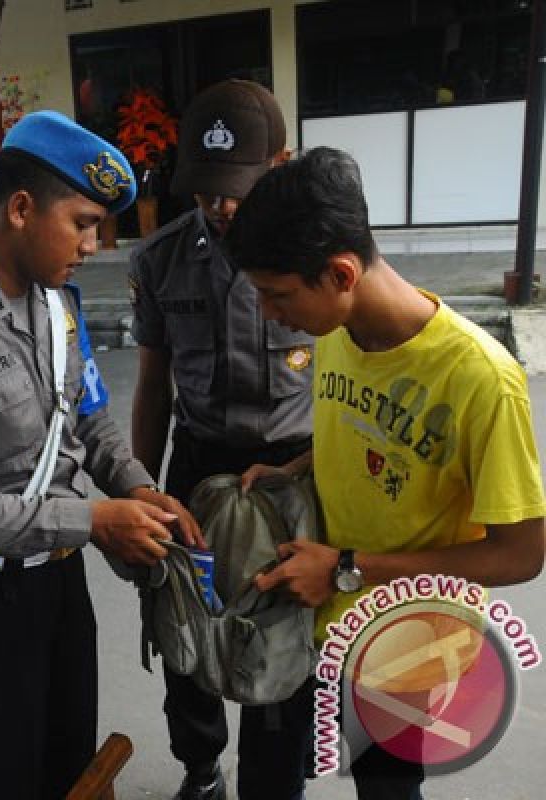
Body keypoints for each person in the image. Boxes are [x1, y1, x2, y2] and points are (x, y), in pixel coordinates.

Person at [0, 110, 201, 799]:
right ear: (22, 209)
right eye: (82, 222)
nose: (93, 243)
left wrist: (138, 489)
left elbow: (91, 421)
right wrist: (94, 521)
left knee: (70, 773)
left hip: (56, 587)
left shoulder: (57, 307)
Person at [226, 146, 546, 798]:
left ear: (341, 273)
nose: (269, 313)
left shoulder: (483, 381)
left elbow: (521, 555)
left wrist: (346, 566)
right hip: (303, 610)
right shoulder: (337, 332)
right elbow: (371, 432)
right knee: (264, 779)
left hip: (404, 645)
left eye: (277, 294)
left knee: (386, 790)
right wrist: (291, 469)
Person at [127, 79, 315, 800]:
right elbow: (152, 385)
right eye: (205, 190)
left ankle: (274, 785)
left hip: (289, 476)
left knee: (275, 636)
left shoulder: (314, 257)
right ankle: (200, 769)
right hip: (197, 465)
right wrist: (143, 490)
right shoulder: (161, 260)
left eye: (235, 187)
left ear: (282, 161)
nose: (221, 206)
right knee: (187, 632)